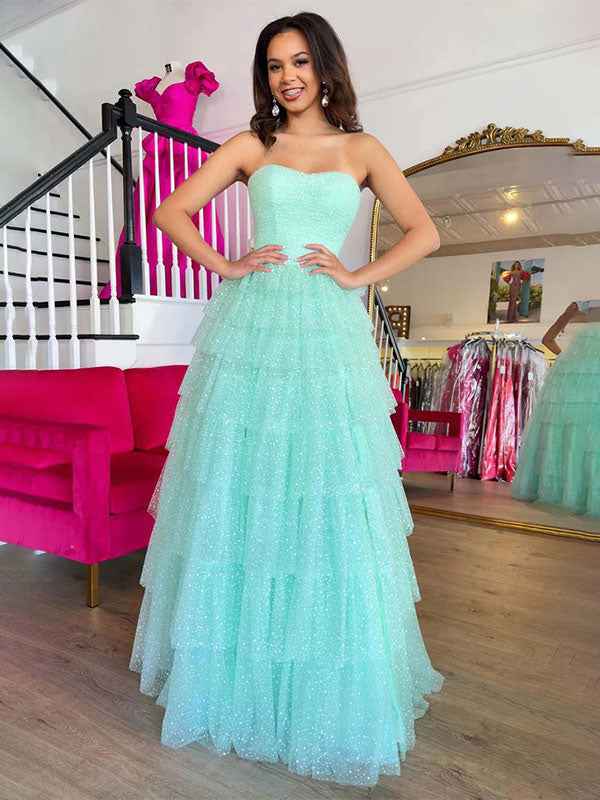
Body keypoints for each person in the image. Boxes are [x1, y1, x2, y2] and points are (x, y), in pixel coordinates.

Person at [128, 11, 444, 787]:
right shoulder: (252, 144)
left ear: (325, 66)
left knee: (326, 495)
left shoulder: (362, 150)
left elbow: (424, 232)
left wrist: (355, 277)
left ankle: (320, 688)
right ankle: (233, 680)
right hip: (255, 326)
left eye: (299, 61)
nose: (287, 77)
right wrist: (227, 264)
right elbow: (170, 211)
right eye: (274, 65)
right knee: (243, 489)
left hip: (327, 334)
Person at [512, 299, 600, 516]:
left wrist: (567, 360)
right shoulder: (581, 308)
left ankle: (564, 493)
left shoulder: (579, 309)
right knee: (589, 444)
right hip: (586, 389)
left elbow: (548, 340)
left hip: (568, 386)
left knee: (566, 440)